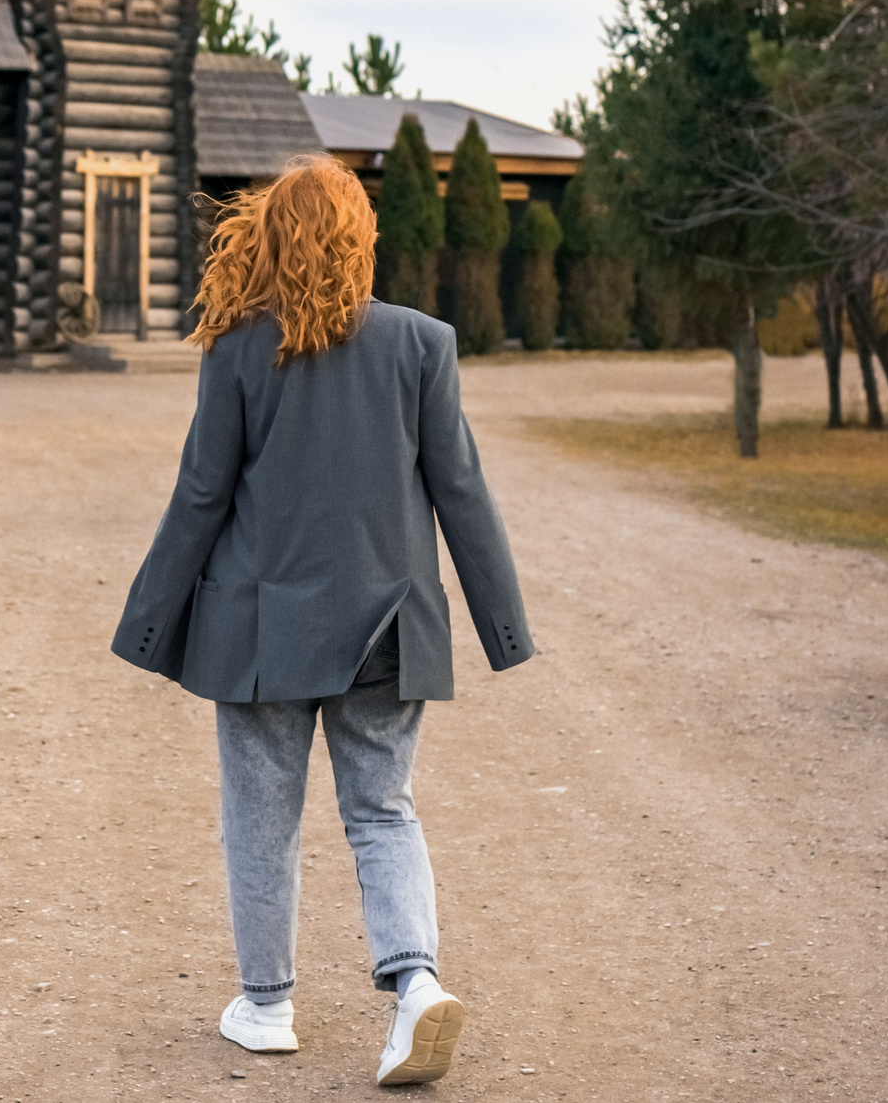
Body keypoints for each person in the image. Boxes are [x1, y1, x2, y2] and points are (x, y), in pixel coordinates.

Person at [109, 156, 535, 1087]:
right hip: (388, 627)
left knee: (261, 814)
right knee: (383, 808)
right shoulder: (423, 344)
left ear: (267, 239)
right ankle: (415, 984)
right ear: (361, 240)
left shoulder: (234, 351)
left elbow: (201, 495)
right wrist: (505, 629)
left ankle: (265, 1006)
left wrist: (148, 626)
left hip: (261, 634)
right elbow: (461, 491)